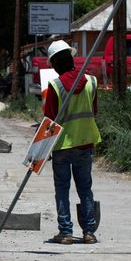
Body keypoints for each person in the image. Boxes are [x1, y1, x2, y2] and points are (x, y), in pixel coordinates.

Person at [42, 39, 101, 245]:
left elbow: (48, 120)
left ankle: (66, 232)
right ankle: (89, 232)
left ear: (55, 64)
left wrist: (42, 150)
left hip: (61, 147)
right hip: (84, 144)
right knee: (85, 189)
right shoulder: (91, 82)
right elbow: (94, 112)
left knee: (62, 189)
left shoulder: (55, 86)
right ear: (71, 58)